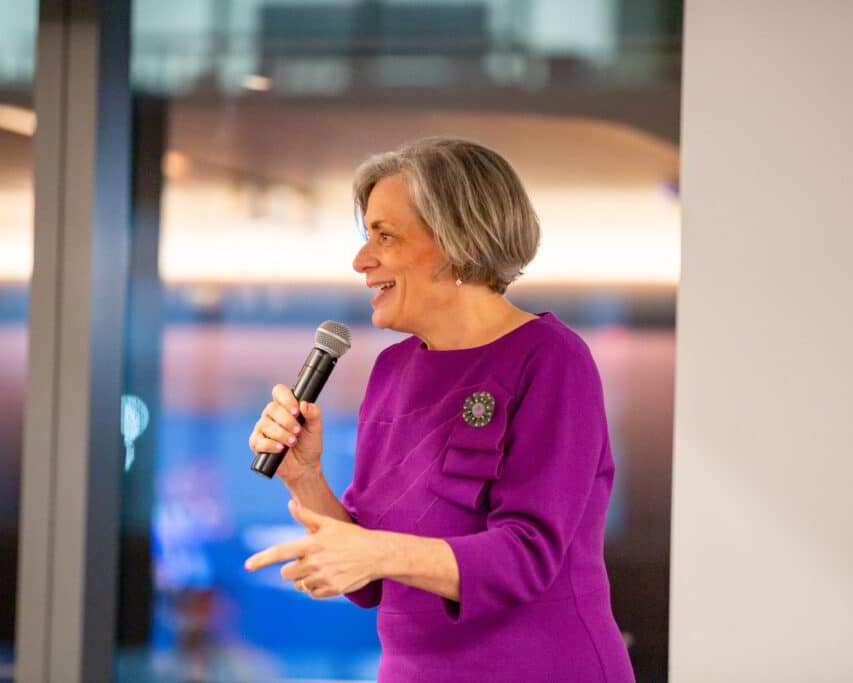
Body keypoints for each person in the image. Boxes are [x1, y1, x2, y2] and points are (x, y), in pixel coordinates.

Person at [245, 137, 635, 682]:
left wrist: (374, 552)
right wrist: (305, 476)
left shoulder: (552, 359)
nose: (362, 260)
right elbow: (370, 581)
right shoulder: (391, 371)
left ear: (459, 244)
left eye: (385, 236)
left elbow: (527, 555)